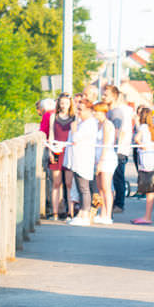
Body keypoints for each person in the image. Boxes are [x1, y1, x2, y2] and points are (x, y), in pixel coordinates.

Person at [67, 97, 99, 226]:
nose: (78, 112)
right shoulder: (83, 122)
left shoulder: (89, 123)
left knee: (84, 188)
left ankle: (85, 214)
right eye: (77, 109)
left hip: (84, 159)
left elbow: (76, 138)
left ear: (89, 110)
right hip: (78, 158)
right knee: (80, 188)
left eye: (80, 109)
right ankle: (81, 213)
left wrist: (74, 128)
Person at [102, 85, 133, 213]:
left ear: (114, 96)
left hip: (118, 150)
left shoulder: (117, 112)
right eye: (103, 94)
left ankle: (119, 205)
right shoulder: (109, 111)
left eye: (106, 95)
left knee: (118, 178)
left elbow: (118, 132)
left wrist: (113, 148)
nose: (103, 97)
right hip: (113, 150)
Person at [131, 108, 154, 225]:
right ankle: (147, 216)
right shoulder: (153, 128)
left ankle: (147, 217)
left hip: (145, 162)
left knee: (148, 190)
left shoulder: (143, 127)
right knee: (150, 190)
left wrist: (142, 146)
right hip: (153, 162)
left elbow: (136, 139)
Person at [48, 93, 73, 220]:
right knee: (56, 183)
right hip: (57, 150)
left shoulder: (74, 118)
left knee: (69, 183)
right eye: (62, 103)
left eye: (66, 103)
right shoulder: (54, 117)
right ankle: (55, 212)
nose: (64, 106)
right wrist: (50, 151)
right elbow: (51, 134)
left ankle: (70, 212)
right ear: (58, 104)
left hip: (69, 151)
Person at [92, 102, 117, 224]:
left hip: (107, 159)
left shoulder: (107, 124)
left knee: (106, 187)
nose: (94, 113)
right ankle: (102, 212)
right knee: (100, 188)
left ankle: (108, 214)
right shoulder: (98, 124)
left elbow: (106, 145)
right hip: (97, 158)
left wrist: (101, 162)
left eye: (96, 111)